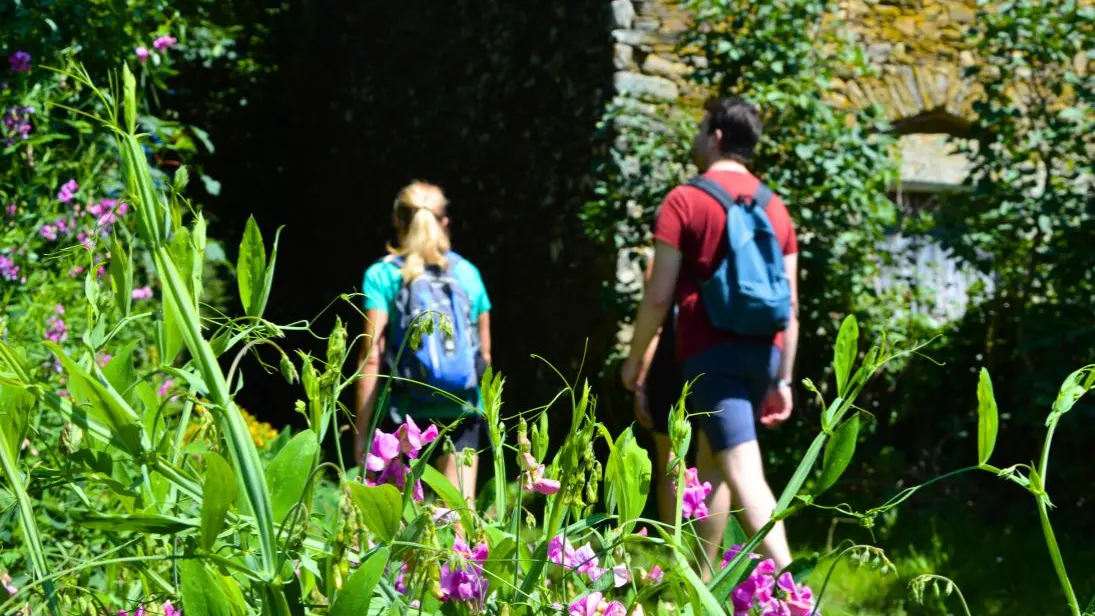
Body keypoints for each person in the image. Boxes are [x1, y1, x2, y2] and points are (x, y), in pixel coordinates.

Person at [620, 97, 799, 577]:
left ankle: (796, 589)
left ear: (717, 135)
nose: (696, 138)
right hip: (763, 351)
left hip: (711, 352)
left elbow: (659, 296)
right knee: (711, 465)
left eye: (701, 129)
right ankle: (701, 585)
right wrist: (783, 380)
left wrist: (636, 358)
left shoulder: (686, 199)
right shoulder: (774, 206)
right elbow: (791, 307)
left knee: (743, 469)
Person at [354, 181, 492, 504]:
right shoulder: (469, 274)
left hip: (404, 411)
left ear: (398, 221)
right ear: (445, 222)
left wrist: (362, 435)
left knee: (397, 520)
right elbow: (484, 354)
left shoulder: (382, 275)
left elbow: (370, 356)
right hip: (463, 408)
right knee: (459, 515)